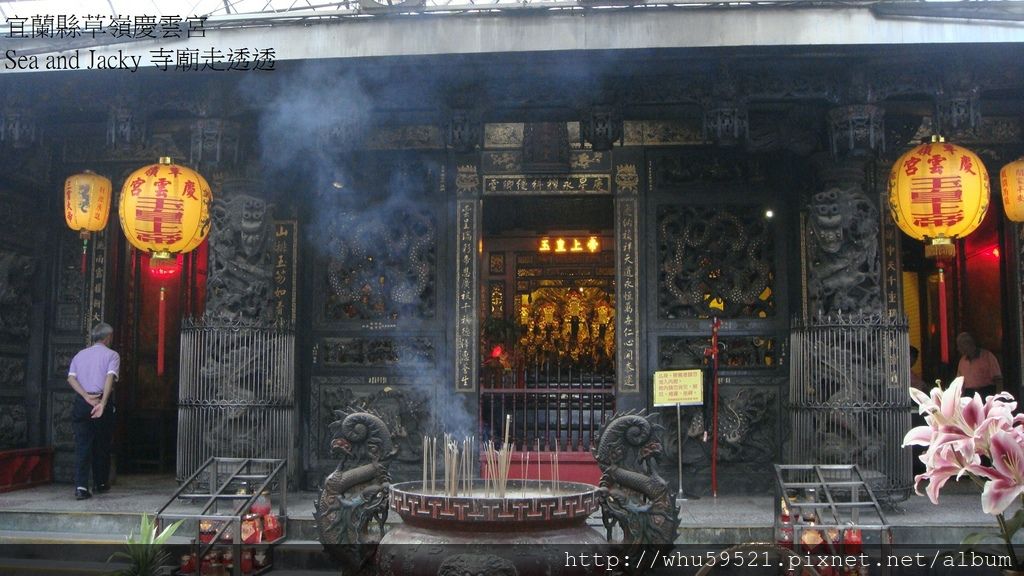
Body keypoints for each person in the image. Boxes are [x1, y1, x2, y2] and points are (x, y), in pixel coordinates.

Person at [66, 322, 119, 500]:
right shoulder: (112, 355)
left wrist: (85, 396)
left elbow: (71, 378)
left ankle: (81, 486)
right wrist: (102, 403)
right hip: (100, 401)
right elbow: (109, 378)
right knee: (101, 444)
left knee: (82, 445)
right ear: (108, 338)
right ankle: (100, 482)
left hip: (82, 403)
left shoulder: (80, 355)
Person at [956, 331, 1002, 398]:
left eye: (960, 345)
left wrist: (998, 397)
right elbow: (959, 383)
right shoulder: (962, 361)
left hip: (986, 393)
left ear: (968, 343)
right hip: (969, 394)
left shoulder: (988, 356)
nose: (958, 348)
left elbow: (998, 380)